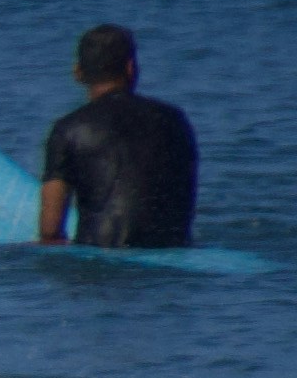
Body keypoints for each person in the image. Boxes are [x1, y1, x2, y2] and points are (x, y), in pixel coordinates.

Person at [37, 24, 202, 249]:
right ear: (131, 68)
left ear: (78, 73)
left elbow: (50, 230)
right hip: (174, 255)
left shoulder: (68, 129)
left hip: (100, 258)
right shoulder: (176, 120)